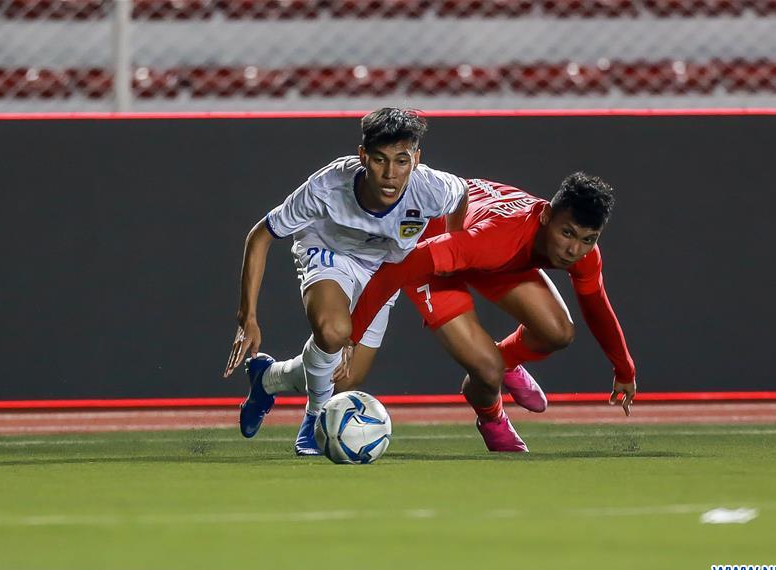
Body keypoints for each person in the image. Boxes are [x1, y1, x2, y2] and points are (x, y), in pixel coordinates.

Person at [222, 107, 470, 455]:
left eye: (401, 161)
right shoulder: (328, 186)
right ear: (363, 156)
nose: (390, 174)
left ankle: (267, 378)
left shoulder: (432, 189)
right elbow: (260, 235)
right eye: (380, 160)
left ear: (416, 159)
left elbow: (462, 195)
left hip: (383, 271)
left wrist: (450, 248)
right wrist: (247, 317)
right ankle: (315, 419)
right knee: (334, 331)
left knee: (343, 380)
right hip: (327, 251)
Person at [344, 173, 637, 452]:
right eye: (567, 233)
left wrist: (624, 369)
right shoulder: (497, 238)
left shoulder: (581, 253)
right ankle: (492, 417)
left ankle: (506, 362)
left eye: (588, 239)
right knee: (487, 371)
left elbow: (596, 307)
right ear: (546, 216)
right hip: (437, 243)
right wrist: (352, 336)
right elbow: (399, 267)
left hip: (490, 253)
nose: (574, 250)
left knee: (558, 332)